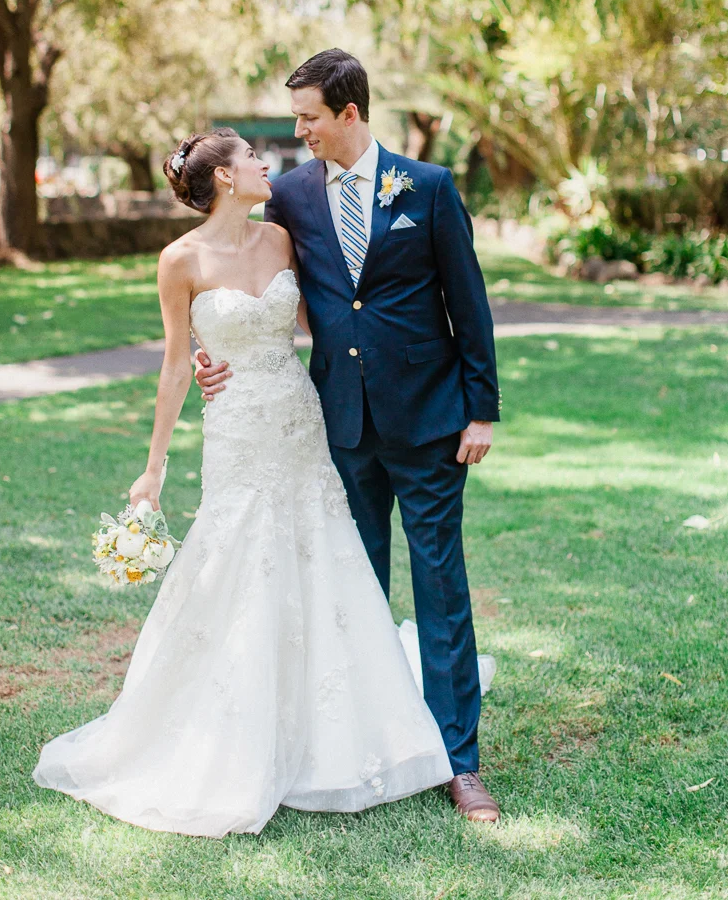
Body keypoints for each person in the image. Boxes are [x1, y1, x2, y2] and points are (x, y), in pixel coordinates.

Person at [33, 127, 455, 838]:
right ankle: (227, 728)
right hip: (236, 429)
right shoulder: (179, 260)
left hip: (297, 415)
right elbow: (175, 363)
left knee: (320, 554)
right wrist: (153, 466)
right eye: (255, 159)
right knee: (237, 559)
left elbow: (321, 324)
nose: (268, 165)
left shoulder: (280, 240)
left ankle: (338, 728)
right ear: (226, 177)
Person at [195, 50, 502, 823]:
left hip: (431, 421)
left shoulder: (426, 188)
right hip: (336, 425)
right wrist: (212, 354)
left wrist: (480, 409)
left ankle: (457, 762)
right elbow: (243, 272)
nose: (298, 133)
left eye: (308, 119)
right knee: (354, 594)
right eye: (295, 119)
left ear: (350, 114)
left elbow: (468, 301)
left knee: (440, 590)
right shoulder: (291, 197)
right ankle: (368, 747)